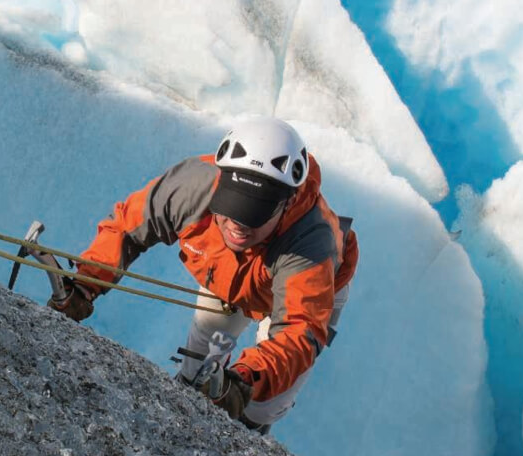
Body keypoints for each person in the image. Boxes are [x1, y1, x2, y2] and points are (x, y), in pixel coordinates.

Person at [50, 117, 358, 433]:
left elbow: (299, 330)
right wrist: (86, 283)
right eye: (233, 205)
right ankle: (189, 393)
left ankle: (248, 431)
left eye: (255, 213)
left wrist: (246, 379)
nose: (238, 223)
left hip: (309, 295)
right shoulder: (193, 187)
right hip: (229, 271)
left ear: (287, 202)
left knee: (261, 406)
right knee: (198, 360)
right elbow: (129, 226)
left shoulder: (311, 244)